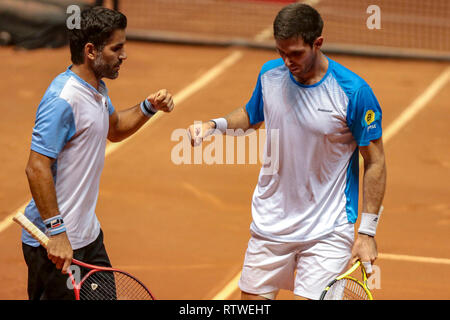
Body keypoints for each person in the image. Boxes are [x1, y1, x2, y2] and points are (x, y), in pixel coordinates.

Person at [188, 3, 386, 300]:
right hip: (270, 223)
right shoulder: (270, 75)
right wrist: (214, 125)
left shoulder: (353, 92)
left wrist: (367, 232)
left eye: (295, 53)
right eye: (281, 52)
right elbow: (252, 114)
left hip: (327, 229)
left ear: (317, 43)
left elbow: (375, 161)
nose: (287, 61)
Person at [21, 6, 174, 300]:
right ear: (91, 51)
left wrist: (149, 107)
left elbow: (114, 128)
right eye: (117, 48)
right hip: (55, 247)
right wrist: (57, 233)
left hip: (88, 239)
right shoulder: (63, 99)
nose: (124, 55)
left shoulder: (97, 90)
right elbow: (36, 167)